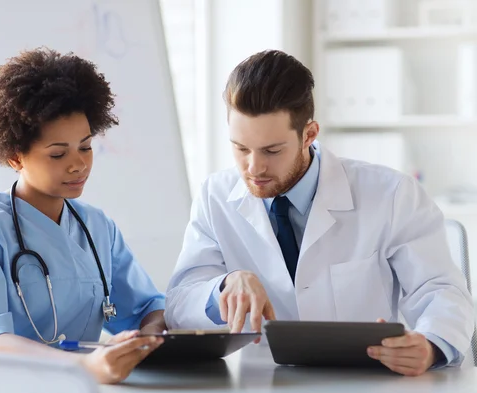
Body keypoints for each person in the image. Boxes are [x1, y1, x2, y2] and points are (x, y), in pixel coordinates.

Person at [165, 49, 474, 376]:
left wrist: (430, 345)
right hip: (263, 379)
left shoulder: (391, 194)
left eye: (272, 150)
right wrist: (223, 288)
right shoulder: (215, 196)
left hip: (365, 379)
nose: (253, 167)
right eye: (241, 148)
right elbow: (179, 304)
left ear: (309, 135)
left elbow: (440, 291)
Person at [0, 47, 165, 384]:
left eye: (86, 147)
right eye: (58, 154)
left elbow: (148, 308)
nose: (79, 165)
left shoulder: (98, 228)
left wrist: (148, 338)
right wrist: (83, 367)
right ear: (16, 157)